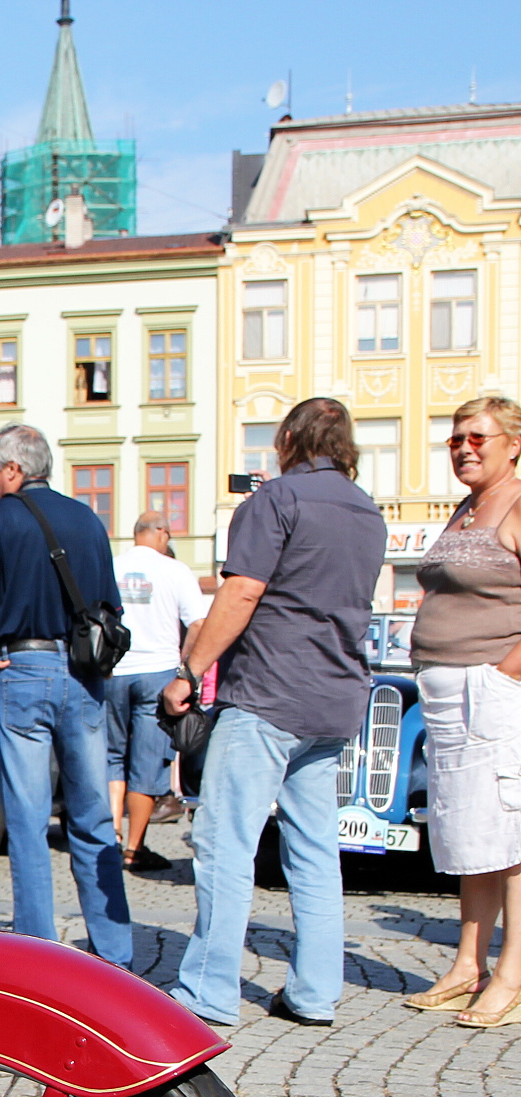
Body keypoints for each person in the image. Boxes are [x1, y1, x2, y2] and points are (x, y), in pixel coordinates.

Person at [162, 397, 387, 1027]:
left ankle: (208, 991)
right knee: (314, 850)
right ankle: (315, 994)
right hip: (335, 696)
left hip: (269, 691)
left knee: (224, 841)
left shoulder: (277, 499)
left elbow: (241, 592)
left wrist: (190, 671)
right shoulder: (368, 511)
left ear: (288, 439)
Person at [0, 423, 132, 966]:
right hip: (84, 675)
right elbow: (111, 608)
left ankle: (38, 951)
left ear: (13, 469)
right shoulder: (88, 519)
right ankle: (115, 953)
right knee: (93, 814)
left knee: (28, 819)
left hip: (24, 668)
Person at [403, 396, 521, 1029]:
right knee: (471, 834)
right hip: (451, 693)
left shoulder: (517, 502)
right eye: (455, 439)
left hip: (492, 689)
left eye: (478, 437)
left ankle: (512, 975)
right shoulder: (467, 507)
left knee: (511, 834)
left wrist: (505, 673)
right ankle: (467, 965)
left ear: (514, 445)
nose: (464, 448)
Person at [108, 511, 207, 872]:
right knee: (148, 762)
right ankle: (134, 849)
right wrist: (184, 664)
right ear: (162, 533)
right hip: (158, 672)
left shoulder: (112, 566)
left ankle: (110, 839)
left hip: (114, 671)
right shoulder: (175, 570)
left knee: (111, 756)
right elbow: (198, 623)